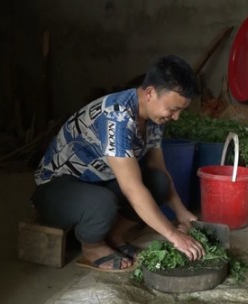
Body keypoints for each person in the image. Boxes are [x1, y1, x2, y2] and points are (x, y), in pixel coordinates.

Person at [31, 55, 205, 272]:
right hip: (56, 186)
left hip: (97, 181)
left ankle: (114, 235)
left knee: (158, 181)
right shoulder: (117, 117)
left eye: (181, 110)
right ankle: (92, 246)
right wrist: (173, 235)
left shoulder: (155, 118)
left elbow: (158, 168)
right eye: (173, 109)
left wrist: (181, 212)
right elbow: (131, 189)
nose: (177, 117)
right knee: (103, 203)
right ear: (150, 93)